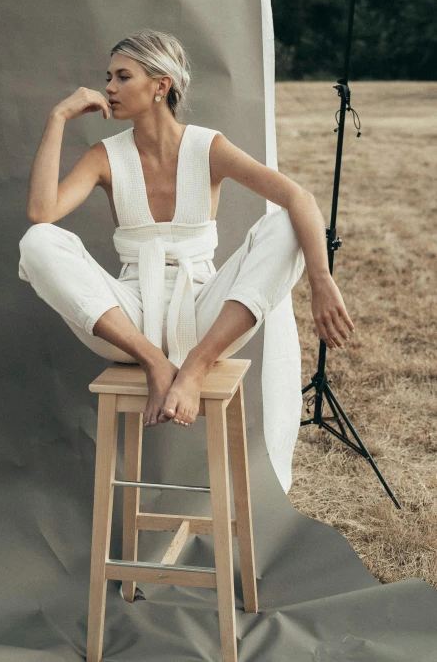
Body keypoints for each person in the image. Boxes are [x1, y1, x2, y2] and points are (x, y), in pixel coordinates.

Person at [18, 29, 354, 431]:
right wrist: (58, 118)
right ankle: (154, 362)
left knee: (287, 222)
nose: (108, 87)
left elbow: (299, 198)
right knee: (37, 240)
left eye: (123, 77)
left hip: (207, 320)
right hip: (128, 324)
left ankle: (195, 365)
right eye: (108, 76)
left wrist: (321, 279)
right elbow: (41, 212)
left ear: (161, 85)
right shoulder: (104, 157)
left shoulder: (206, 147)